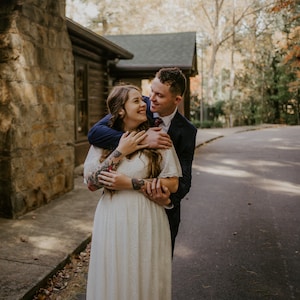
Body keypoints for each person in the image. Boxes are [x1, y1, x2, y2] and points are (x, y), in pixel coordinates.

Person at [84, 84, 182, 300]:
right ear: (121, 110)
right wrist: (120, 152)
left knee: (146, 277)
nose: (145, 104)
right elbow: (92, 183)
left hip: (148, 218)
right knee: (115, 277)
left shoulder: (158, 137)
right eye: (136, 100)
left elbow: (173, 184)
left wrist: (129, 183)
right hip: (113, 219)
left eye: (143, 100)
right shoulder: (103, 141)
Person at [88, 67, 197, 254]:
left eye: (159, 96)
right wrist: (141, 139)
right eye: (151, 90)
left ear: (176, 100)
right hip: (123, 212)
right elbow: (95, 133)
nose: (151, 99)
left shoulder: (187, 131)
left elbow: (184, 180)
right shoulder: (137, 107)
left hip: (163, 212)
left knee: (156, 269)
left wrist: (168, 199)